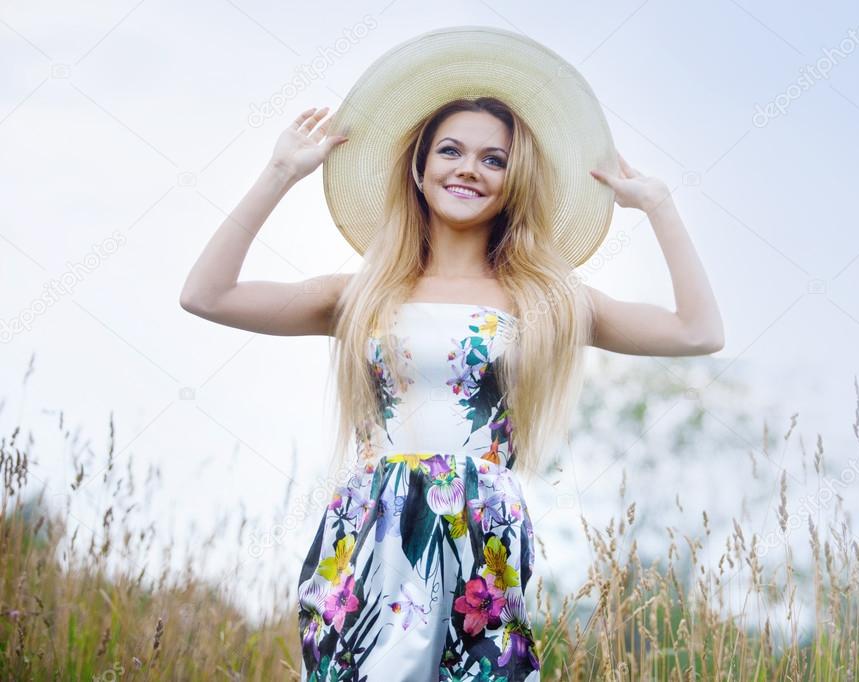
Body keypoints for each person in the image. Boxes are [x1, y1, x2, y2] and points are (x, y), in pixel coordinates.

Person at [180, 29, 723, 682]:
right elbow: (206, 294)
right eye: (451, 150)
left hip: (481, 528)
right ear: (418, 165)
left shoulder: (544, 300)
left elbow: (697, 331)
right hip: (372, 527)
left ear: (512, 178)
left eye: (493, 159)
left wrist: (658, 205)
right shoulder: (358, 295)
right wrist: (279, 174)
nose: (469, 168)